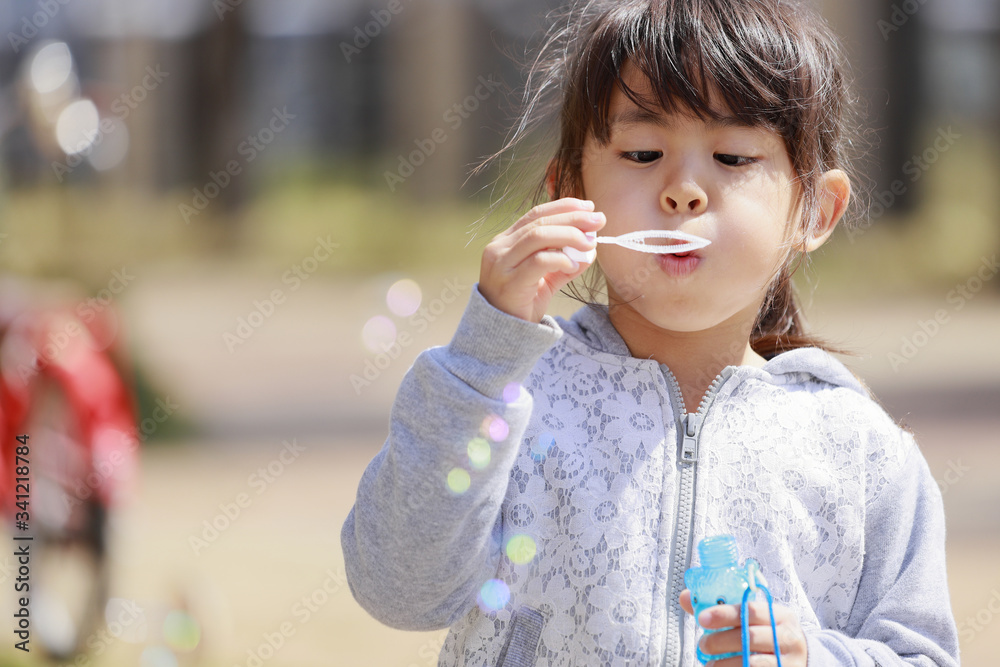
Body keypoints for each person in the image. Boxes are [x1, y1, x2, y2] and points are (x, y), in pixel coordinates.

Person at [341, 0, 960, 665]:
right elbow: (398, 589)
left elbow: (921, 655)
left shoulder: (860, 450)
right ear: (570, 191)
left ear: (816, 209)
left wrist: (816, 657)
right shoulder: (508, 396)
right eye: (642, 152)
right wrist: (485, 356)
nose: (683, 190)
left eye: (732, 156)